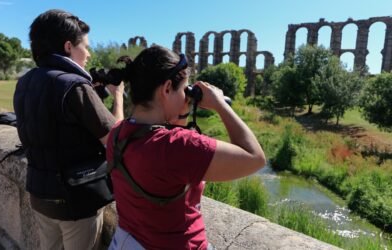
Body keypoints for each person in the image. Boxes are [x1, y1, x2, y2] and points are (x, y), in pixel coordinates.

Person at [106, 45, 266, 250]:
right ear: (166, 89)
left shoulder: (117, 134)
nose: (186, 97)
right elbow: (256, 158)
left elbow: (171, 166)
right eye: (184, 90)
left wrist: (181, 114)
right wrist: (220, 105)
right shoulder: (179, 146)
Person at [13, 9, 124, 250]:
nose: (89, 53)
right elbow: (116, 140)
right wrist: (119, 98)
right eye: (84, 46)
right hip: (75, 201)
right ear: (67, 47)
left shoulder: (25, 82)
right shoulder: (74, 86)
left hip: (40, 195)